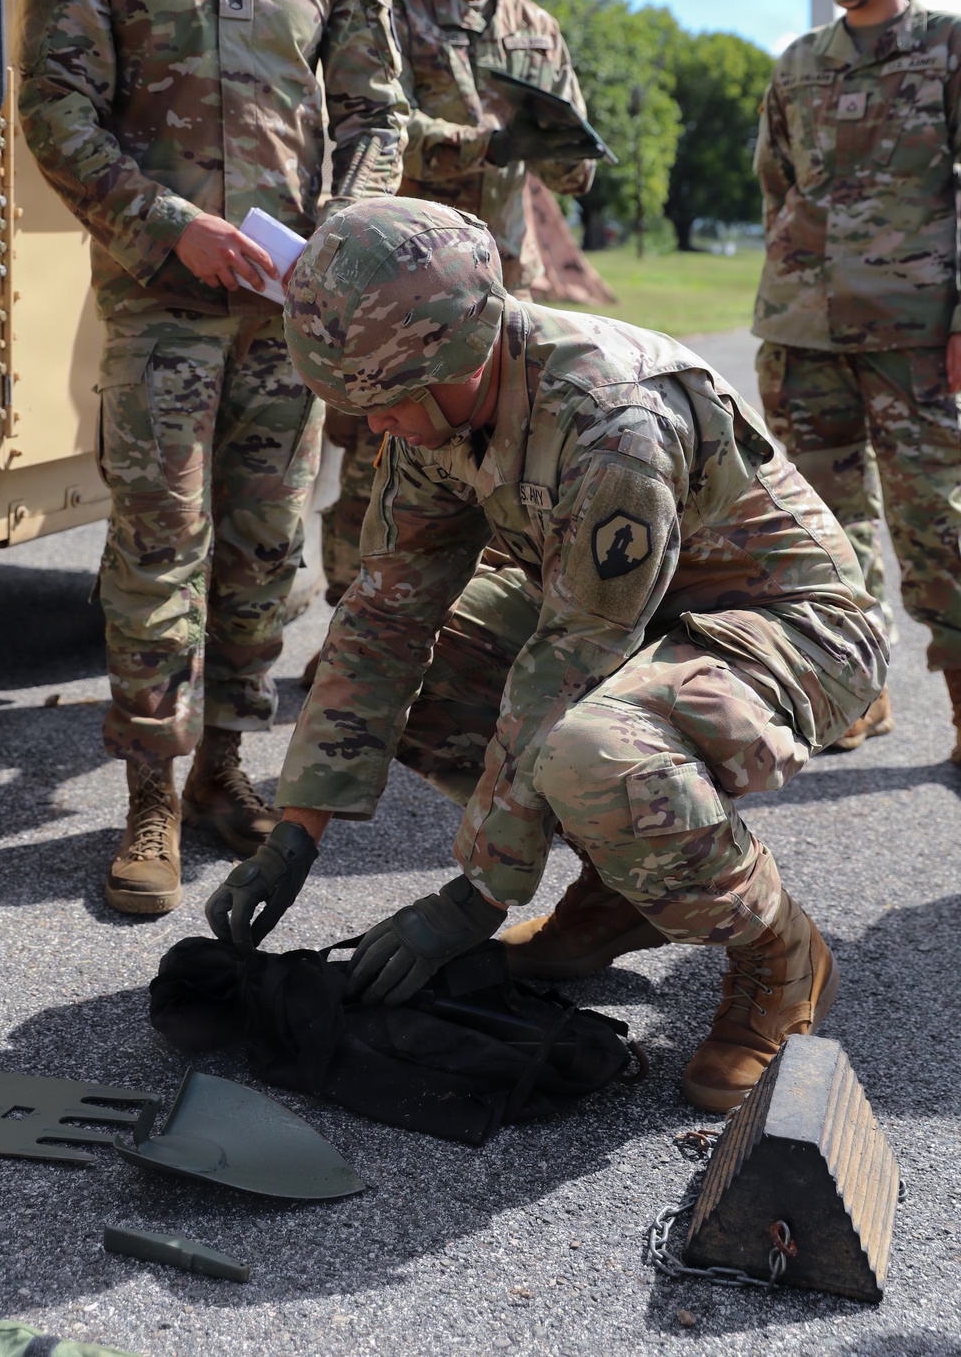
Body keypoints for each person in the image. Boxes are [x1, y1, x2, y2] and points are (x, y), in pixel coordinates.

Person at [206, 198, 887, 1111]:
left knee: (593, 749)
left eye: (385, 404)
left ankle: (781, 955)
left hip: (790, 626)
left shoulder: (612, 422)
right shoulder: (429, 400)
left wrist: (478, 894)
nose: (376, 429)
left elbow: (569, 661)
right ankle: (621, 895)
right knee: (441, 653)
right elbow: (385, 618)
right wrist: (300, 830)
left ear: (461, 353)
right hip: (632, 619)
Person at [17, 0, 407, 915]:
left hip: (286, 317)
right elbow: (57, 113)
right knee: (153, 547)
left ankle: (225, 770)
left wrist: (339, 234)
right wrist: (166, 224)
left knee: (261, 554)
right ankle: (146, 795)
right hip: (162, 306)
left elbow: (380, 117)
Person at [314, 0, 596, 622]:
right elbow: (376, 122)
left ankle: (477, 638)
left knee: (511, 458)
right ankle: (355, 631)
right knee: (383, 460)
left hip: (505, 283)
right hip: (403, 286)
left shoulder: (536, 26)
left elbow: (573, 164)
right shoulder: (390, 6)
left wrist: (572, 151)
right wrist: (482, 144)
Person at [752, 0, 961, 755]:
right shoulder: (798, 65)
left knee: (936, 523)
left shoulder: (950, 50)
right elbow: (776, 187)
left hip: (914, 334)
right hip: (804, 337)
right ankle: (856, 689)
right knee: (824, 532)